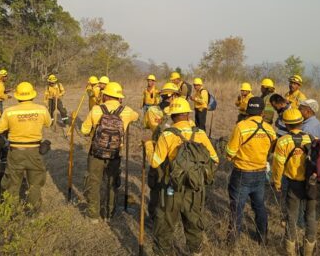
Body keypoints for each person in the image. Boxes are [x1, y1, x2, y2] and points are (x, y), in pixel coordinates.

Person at [143, 97, 219, 255]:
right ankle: (195, 252)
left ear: (172, 116)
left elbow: (155, 163)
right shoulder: (200, 134)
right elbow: (215, 160)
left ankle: (162, 252)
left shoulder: (167, 135)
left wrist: (149, 146)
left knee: (165, 223)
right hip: (195, 188)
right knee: (193, 223)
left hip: (172, 188)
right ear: (188, 115)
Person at [81, 82, 138, 223]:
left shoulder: (95, 110)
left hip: (96, 153)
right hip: (115, 153)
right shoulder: (127, 111)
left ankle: (93, 215)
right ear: (118, 97)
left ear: (105, 95)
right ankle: (109, 214)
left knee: (94, 181)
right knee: (112, 182)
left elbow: (84, 130)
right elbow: (136, 116)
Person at [226, 96, 276, 245]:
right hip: (260, 173)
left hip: (242, 173)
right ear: (262, 112)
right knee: (259, 205)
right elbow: (272, 149)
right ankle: (263, 237)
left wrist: (233, 157)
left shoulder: (241, 126)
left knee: (237, 207)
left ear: (248, 110)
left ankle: (232, 241)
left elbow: (230, 152)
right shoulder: (269, 128)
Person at [0, 82, 52, 212]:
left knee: (12, 184)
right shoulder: (41, 109)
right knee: (35, 184)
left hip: (15, 152)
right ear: (32, 95)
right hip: (34, 151)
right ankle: (33, 214)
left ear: (17, 96)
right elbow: (48, 123)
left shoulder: (9, 112)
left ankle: (10, 212)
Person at [272, 108, 316, 256]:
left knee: (291, 217)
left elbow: (278, 166)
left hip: (294, 185)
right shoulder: (311, 138)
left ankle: (290, 251)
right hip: (312, 184)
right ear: (301, 122)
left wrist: (277, 183)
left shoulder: (283, 141)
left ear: (286, 124)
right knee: (310, 216)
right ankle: (308, 251)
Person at [143, 82, 180, 220]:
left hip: (172, 155)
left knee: (166, 186)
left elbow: (147, 125)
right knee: (159, 186)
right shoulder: (155, 110)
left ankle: (164, 215)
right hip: (162, 154)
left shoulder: (154, 111)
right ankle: (157, 216)